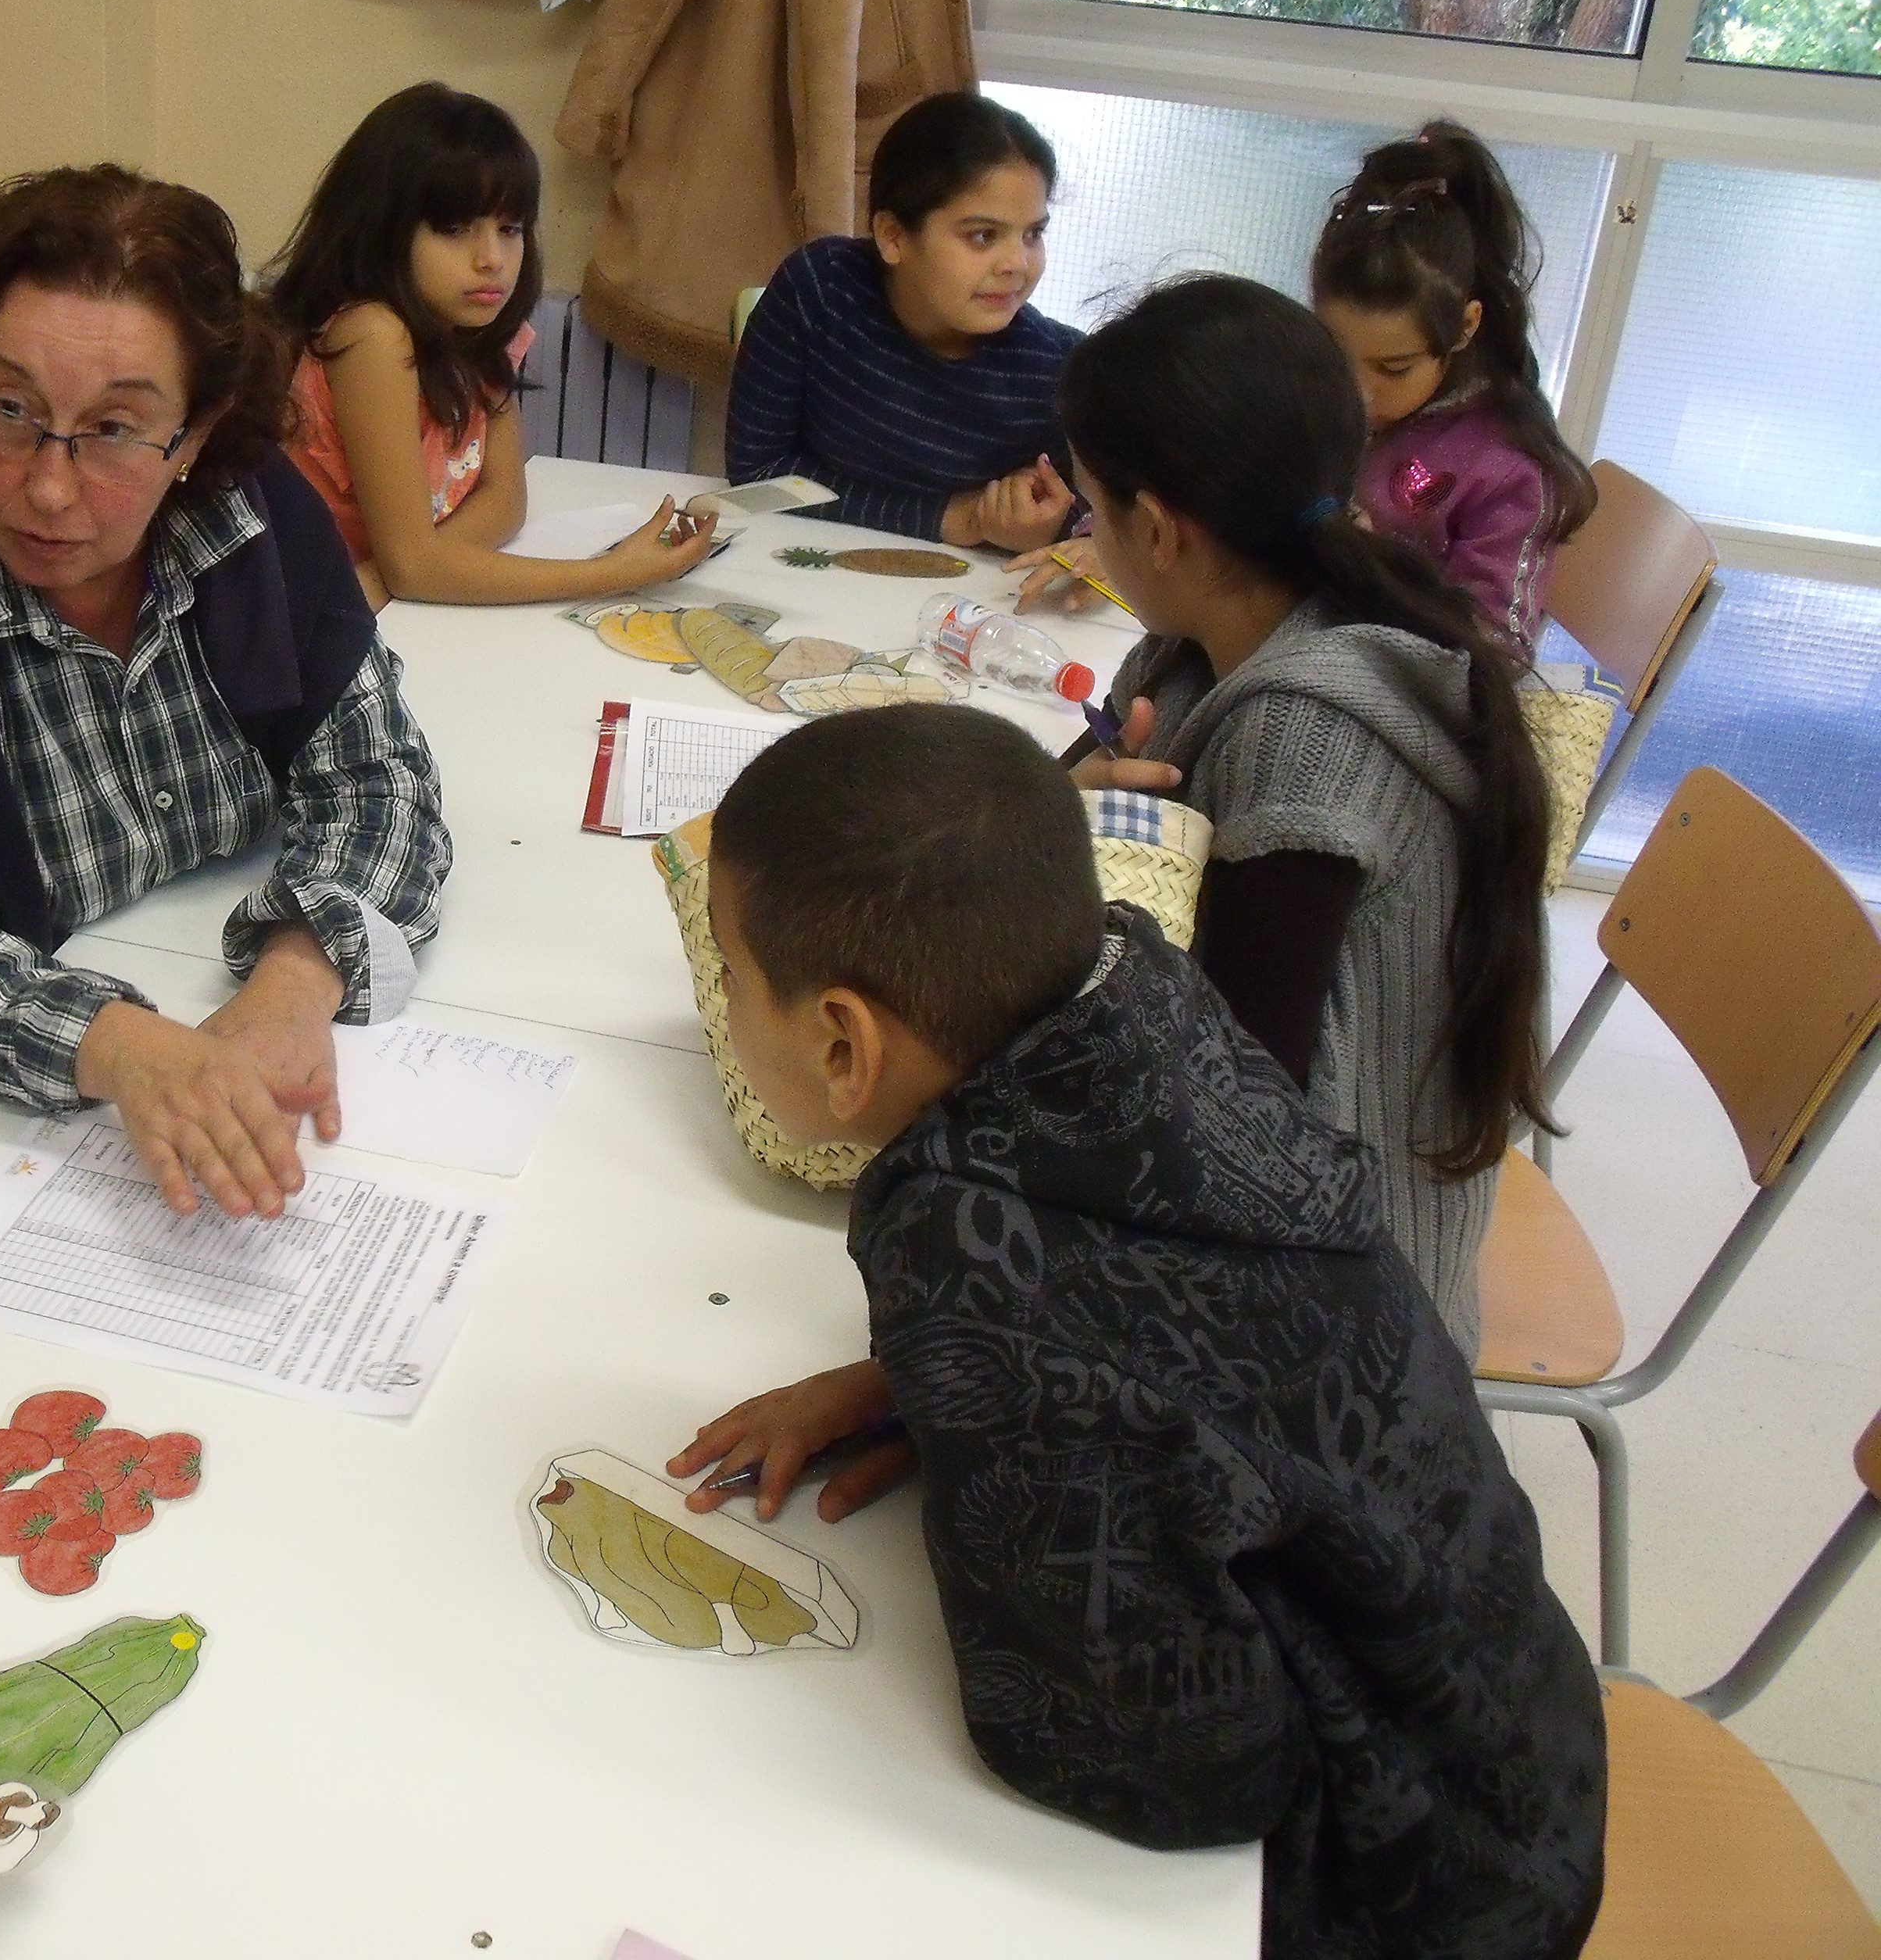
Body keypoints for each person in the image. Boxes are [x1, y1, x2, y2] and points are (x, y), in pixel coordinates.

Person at [670, 703, 1605, 1960]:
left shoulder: (968, 1261)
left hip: (1407, 1885)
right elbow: (1170, 1326)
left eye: (733, 977)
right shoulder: (1139, 1004)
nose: (725, 1001)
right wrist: (919, 1388)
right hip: (1513, 1732)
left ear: (844, 1043)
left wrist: (984, 1429)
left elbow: (1172, 1766)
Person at [0, 165, 455, 1223]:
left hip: (225, 998)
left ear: (197, 433)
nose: (49, 488)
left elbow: (378, 775)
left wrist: (294, 980)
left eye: (116, 430)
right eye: (10, 410)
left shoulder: (254, 520)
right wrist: (135, 1052)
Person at [1063, 276, 1553, 1353]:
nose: (1088, 535)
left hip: (1334, 1328)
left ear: (1159, 530)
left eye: (1092, 508)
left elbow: (1235, 1113)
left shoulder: (1303, 733)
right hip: (1275, 1211)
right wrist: (1065, 812)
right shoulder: (1198, 650)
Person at [270, 82, 712, 609]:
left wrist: (407, 569)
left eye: (510, 228)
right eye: (455, 229)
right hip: (302, 620)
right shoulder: (372, 334)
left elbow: (506, 501)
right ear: (383, 228)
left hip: (378, 606)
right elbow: (414, 569)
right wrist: (611, 573)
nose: (492, 260)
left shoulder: (477, 329)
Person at [725, 91, 1082, 549]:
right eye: (983, 236)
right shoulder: (819, 290)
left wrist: (1062, 529)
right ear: (893, 237)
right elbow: (757, 471)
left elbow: (1118, 525)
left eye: (1034, 233)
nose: (1018, 263)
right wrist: (954, 519)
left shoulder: (1062, 371)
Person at [1311, 121, 1598, 657]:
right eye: (1333, 355)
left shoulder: (1507, 470)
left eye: (1393, 369)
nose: (1356, 394)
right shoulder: (1311, 396)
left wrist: (1380, 578)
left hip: (1403, 688)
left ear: (1465, 328)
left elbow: (1497, 650)